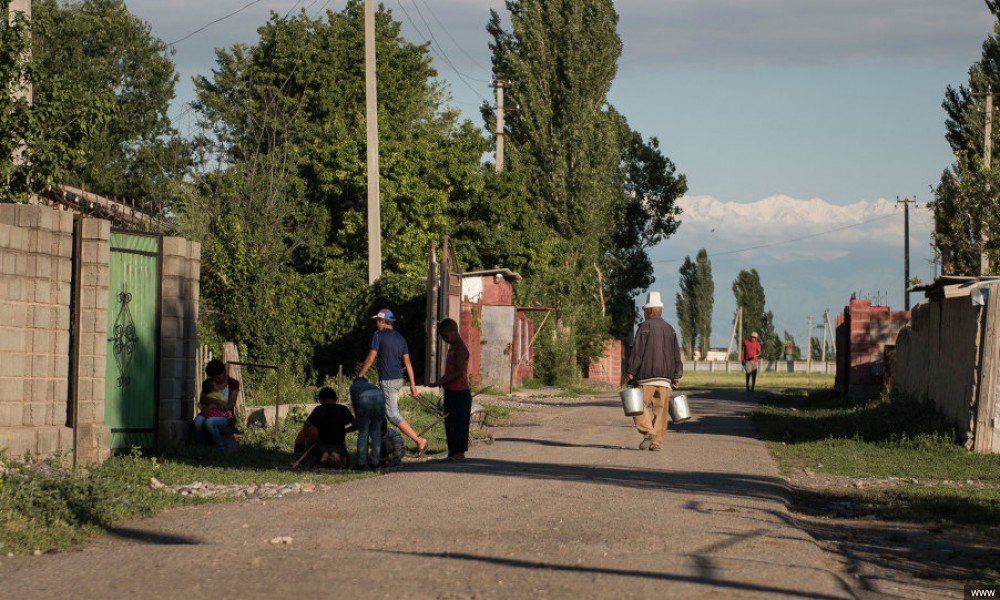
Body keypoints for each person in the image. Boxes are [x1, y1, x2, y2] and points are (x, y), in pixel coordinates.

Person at [357, 308, 428, 456]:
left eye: (378, 320)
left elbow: (371, 358)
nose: (376, 323)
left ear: (383, 321)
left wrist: (360, 375)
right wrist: (413, 386)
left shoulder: (378, 335)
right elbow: (407, 362)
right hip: (398, 380)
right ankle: (378, 443)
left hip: (388, 381)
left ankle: (419, 440)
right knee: (380, 411)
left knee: (392, 414)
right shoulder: (400, 338)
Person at [624, 291, 683, 452]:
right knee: (661, 412)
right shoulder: (670, 329)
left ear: (650, 311)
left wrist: (630, 371)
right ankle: (656, 443)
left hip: (647, 377)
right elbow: (676, 355)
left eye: (645, 311)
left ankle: (648, 432)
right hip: (665, 379)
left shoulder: (644, 327)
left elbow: (637, 352)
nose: (644, 314)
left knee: (638, 406)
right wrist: (676, 375)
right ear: (660, 310)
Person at [430, 318, 472, 462]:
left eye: (446, 336)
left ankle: (459, 453)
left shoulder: (461, 349)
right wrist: (440, 381)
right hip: (451, 391)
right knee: (450, 423)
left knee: (459, 424)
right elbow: (450, 372)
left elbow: (458, 372)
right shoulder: (452, 348)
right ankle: (452, 452)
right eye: (442, 337)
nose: (445, 339)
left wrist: (441, 381)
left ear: (454, 332)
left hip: (460, 392)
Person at [304, 387, 355, 468]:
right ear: (335, 398)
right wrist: (344, 430)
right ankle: (337, 457)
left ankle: (324, 456)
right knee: (344, 459)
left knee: (316, 450)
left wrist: (310, 437)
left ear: (321, 399)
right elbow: (355, 425)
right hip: (339, 445)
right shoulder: (343, 409)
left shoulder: (318, 409)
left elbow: (307, 425)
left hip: (322, 445)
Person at [349, 378, 387, 470]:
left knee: (363, 433)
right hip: (380, 398)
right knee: (376, 432)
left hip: (364, 400)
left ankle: (361, 463)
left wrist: (358, 418)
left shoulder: (353, 386)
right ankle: (375, 463)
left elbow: (355, 405)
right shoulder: (371, 385)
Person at [193, 378, 233, 449]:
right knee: (197, 421)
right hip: (208, 413)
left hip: (223, 416)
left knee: (210, 422)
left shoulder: (228, 386)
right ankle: (201, 446)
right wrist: (214, 403)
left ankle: (220, 448)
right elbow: (203, 402)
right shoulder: (207, 387)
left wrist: (214, 404)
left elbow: (226, 406)